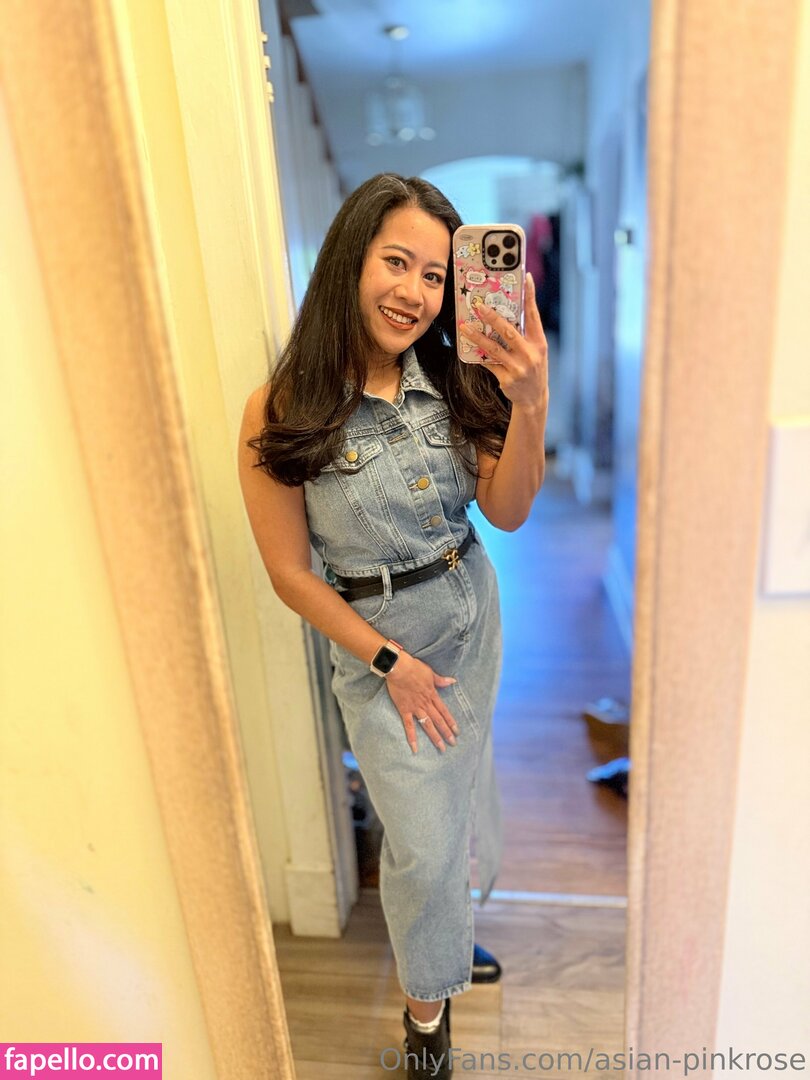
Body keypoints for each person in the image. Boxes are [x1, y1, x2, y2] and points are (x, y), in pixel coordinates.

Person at [237, 173, 548, 1077]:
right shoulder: (283, 405)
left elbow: (509, 511)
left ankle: (444, 940)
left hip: (470, 612)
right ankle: (425, 1025)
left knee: (455, 806)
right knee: (420, 843)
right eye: (397, 262)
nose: (416, 292)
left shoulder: (457, 377)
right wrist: (390, 663)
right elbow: (290, 573)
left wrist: (531, 400)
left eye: (436, 275)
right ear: (351, 260)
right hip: (382, 645)